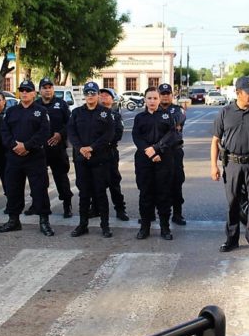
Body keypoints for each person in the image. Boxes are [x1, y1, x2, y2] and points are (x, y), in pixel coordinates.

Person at [210, 76, 249, 254]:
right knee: (233, 203)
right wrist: (214, 166)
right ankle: (231, 239)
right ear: (238, 93)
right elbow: (215, 141)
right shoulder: (225, 112)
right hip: (232, 164)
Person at [0, 80, 54, 236]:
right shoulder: (11, 111)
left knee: (39, 190)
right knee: (13, 189)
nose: (24, 93)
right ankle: (13, 220)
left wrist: (27, 146)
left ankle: (44, 221)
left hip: (34, 157)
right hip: (14, 157)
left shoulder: (41, 111)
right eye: (22, 90)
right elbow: (4, 131)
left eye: (28, 90)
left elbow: (44, 132)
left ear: (34, 93)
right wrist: (15, 146)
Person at [67, 81, 115, 238]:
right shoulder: (77, 113)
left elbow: (109, 135)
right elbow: (72, 133)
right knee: (84, 193)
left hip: (99, 158)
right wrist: (81, 148)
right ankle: (83, 224)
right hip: (82, 159)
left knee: (100, 193)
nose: (90, 96)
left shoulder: (105, 113)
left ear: (97, 95)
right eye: (87, 93)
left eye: (93, 93)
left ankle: (105, 225)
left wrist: (92, 148)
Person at [132, 87, 178, 240]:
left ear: (159, 100)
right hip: (144, 160)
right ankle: (145, 228)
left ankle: (165, 228)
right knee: (145, 194)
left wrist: (157, 149)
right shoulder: (139, 117)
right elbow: (136, 136)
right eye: (149, 98)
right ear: (145, 100)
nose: (152, 101)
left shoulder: (167, 116)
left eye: (155, 98)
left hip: (163, 160)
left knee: (163, 195)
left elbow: (172, 135)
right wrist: (148, 150)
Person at [25, 77, 73, 218]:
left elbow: (70, 124)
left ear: (53, 89)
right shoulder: (35, 105)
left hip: (57, 149)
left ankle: (67, 205)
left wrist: (60, 134)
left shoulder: (61, 104)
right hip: (39, 149)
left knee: (61, 178)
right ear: (39, 91)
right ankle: (37, 204)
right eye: (44, 87)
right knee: (38, 179)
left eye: (49, 87)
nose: (47, 90)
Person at [158, 83, 187, 225]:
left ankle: (177, 214)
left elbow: (175, 124)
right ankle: (151, 214)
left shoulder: (178, 110)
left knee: (176, 182)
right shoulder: (153, 109)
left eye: (167, 93)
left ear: (172, 95)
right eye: (162, 94)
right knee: (155, 184)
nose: (165, 96)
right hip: (158, 153)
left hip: (174, 152)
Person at [99, 87, 129, 221]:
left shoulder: (115, 115)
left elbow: (118, 133)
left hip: (109, 152)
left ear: (112, 99)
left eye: (107, 95)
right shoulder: (93, 113)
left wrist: (103, 143)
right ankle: (95, 209)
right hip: (95, 153)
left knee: (114, 182)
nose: (103, 97)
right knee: (96, 183)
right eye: (101, 95)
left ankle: (120, 209)